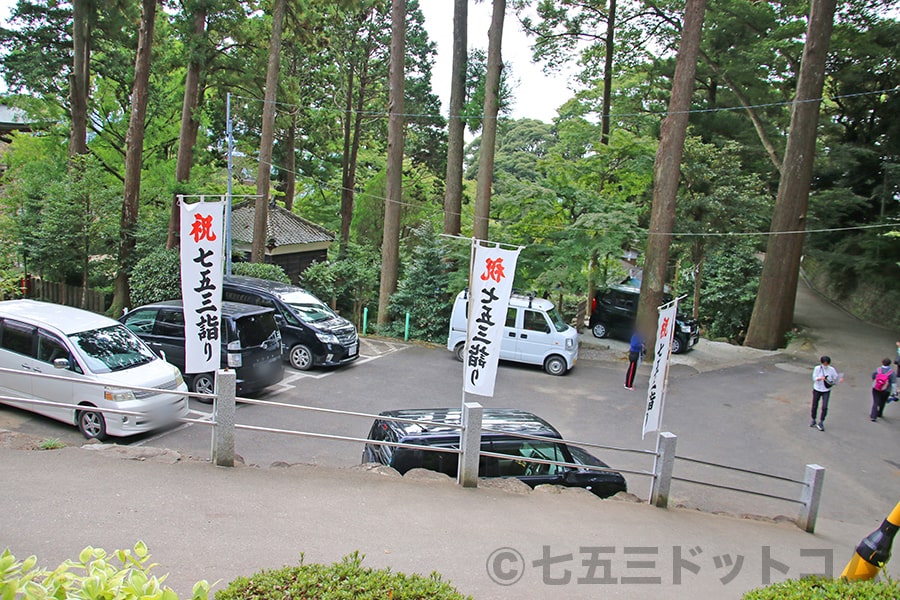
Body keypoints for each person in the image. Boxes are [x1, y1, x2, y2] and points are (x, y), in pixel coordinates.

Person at [810, 356, 842, 432]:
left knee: (825, 406)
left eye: (827, 364)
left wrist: (839, 379)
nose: (825, 365)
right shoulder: (817, 368)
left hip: (826, 390)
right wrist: (820, 378)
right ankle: (813, 419)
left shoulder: (831, 369)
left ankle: (821, 421)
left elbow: (836, 377)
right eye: (824, 363)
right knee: (815, 405)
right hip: (817, 389)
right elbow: (814, 378)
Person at [869, 358, 896, 422]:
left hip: (876, 388)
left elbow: (873, 376)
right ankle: (880, 413)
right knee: (883, 402)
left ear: (882, 362)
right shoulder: (891, 373)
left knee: (875, 402)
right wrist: (894, 392)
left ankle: (873, 416)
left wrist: (875, 382)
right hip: (886, 390)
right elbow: (894, 383)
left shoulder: (878, 370)